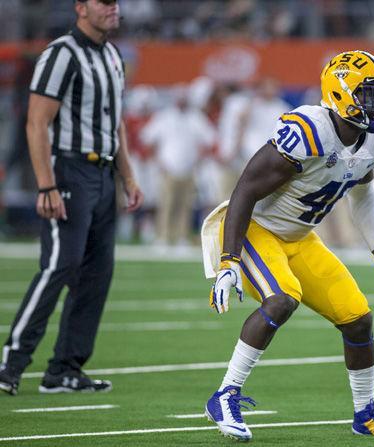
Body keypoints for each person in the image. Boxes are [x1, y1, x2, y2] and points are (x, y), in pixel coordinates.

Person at [200, 50, 374, 441]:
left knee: (357, 316)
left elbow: (364, 193)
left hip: (298, 237)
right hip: (256, 229)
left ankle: (365, 414)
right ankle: (225, 394)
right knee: (282, 298)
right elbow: (245, 188)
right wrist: (229, 260)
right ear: (340, 94)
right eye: (367, 94)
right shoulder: (309, 131)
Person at [0, 0, 143, 396]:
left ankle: (65, 368)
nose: (113, 9)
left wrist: (128, 176)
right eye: (104, 2)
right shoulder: (61, 53)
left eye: (116, 3)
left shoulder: (113, 55)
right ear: (81, 8)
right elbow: (36, 121)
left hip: (103, 173)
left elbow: (115, 123)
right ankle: (11, 362)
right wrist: (45, 185)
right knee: (59, 267)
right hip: (70, 171)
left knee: (98, 275)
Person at [141, 85, 216, 248]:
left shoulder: (196, 118)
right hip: (168, 168)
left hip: (189, 169)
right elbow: (148, 138)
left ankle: (181, 237)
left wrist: (198, 160)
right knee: (166, 204)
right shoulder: (164, 117)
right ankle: (163, 237)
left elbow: (209, 139)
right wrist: (158, 161)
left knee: (185, 205)